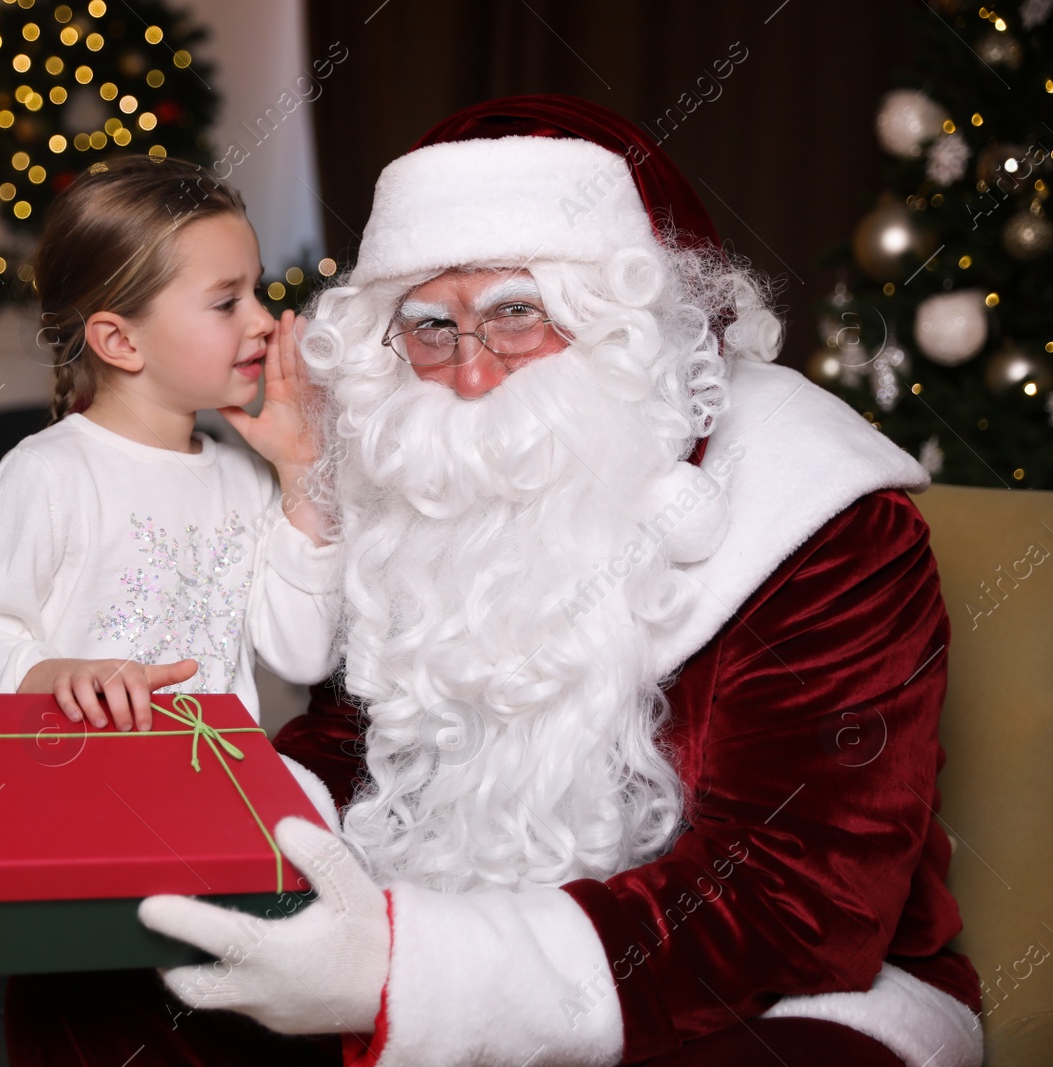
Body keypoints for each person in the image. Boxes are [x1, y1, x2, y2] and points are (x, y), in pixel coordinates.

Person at [129, 96, 983, 1067]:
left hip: (766, 986)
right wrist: (220, 843)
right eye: (428, 325)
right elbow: (351, 734)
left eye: (513, 314)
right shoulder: (421, 468)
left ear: (616, 318)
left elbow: (799, 896)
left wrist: (414, 974)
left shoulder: (824, 516)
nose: (470, 369)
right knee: (122, 993)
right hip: (417, 907)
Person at [0, 156, 343, 1064]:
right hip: (48, 871)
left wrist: (304, 473)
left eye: (258, 292)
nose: (266, 320)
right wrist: (55, 675)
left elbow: (302, 652)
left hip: (199, 867)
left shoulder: (244, 476)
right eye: (227, 301)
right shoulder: (46, 475)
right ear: (119, 340)